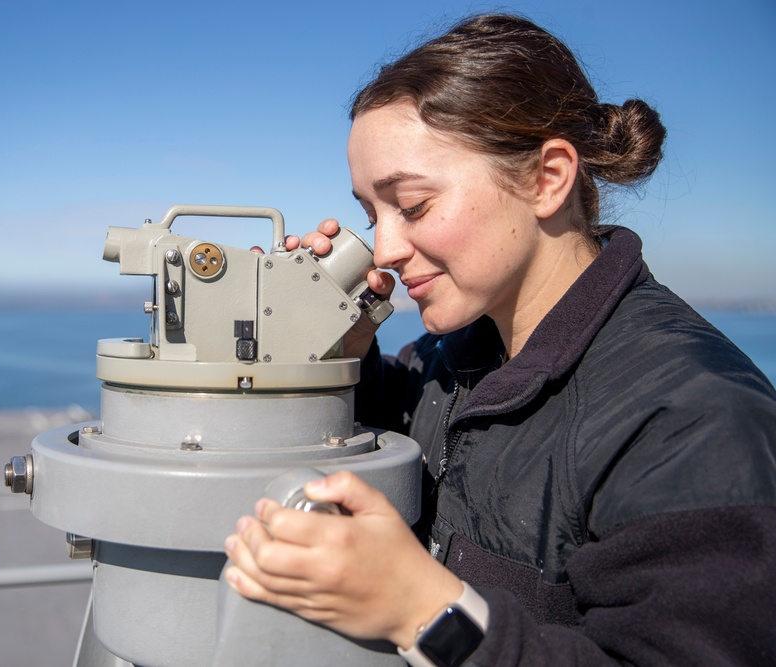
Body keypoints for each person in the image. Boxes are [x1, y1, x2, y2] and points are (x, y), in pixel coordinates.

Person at [223, 13, 776, 667]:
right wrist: (338, 348)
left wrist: (426, 611)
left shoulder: (694, 418)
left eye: (415, 205)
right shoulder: (452, 358)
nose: (387, 248)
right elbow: (413, 426)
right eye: (372, 214)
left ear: (547, 179)